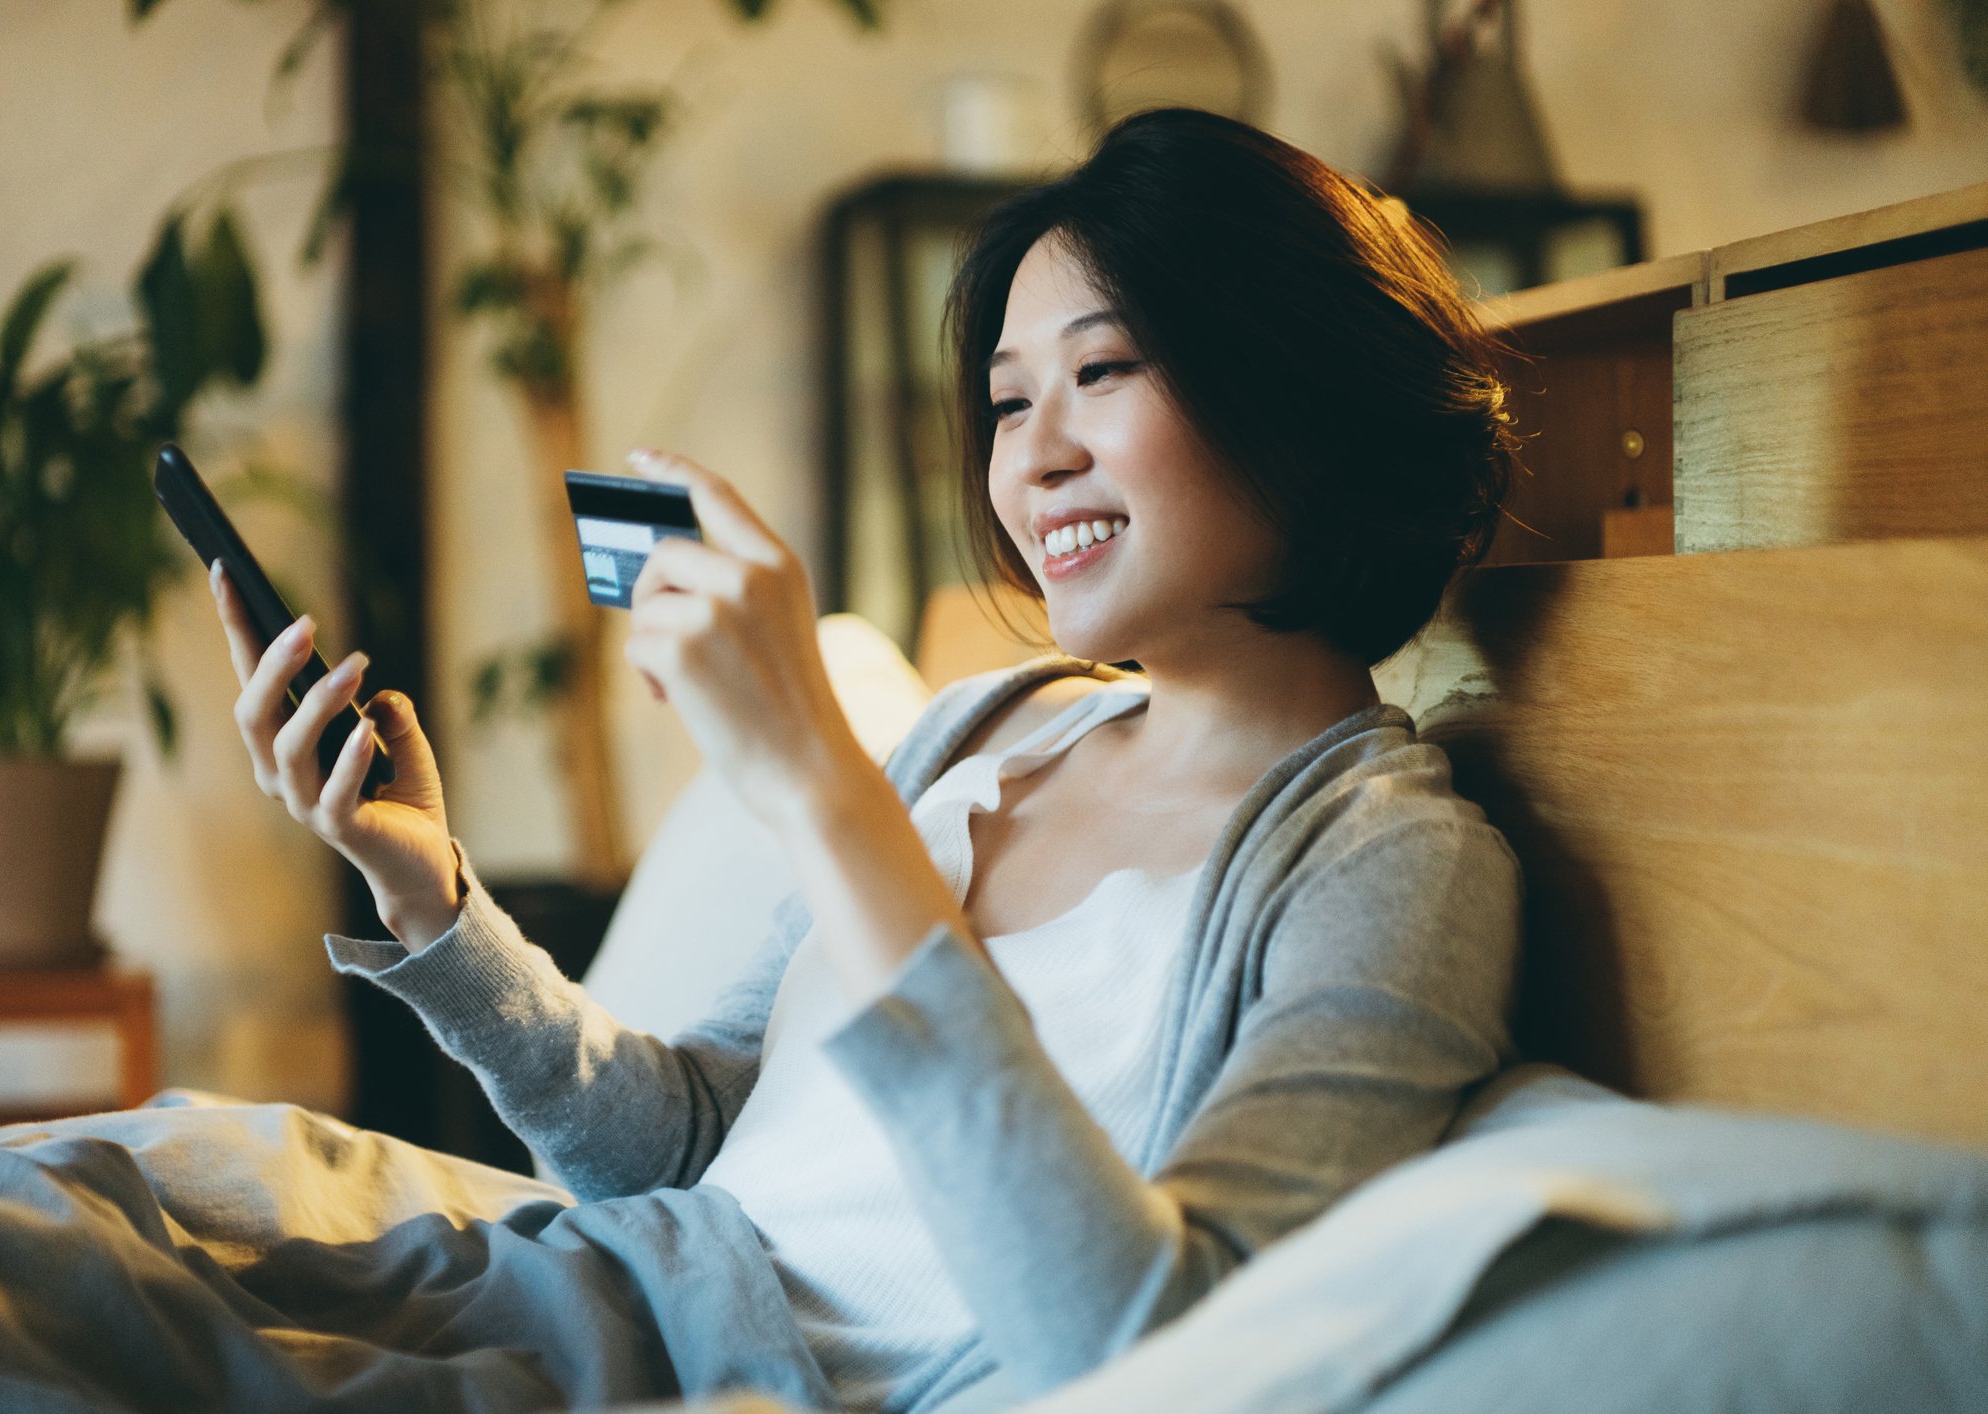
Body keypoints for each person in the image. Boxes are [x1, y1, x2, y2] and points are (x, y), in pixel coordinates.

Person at [212, 107, 1524, 1414]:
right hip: (596, 1287)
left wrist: (818, 783)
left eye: (1104, 371)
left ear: (1297, 389)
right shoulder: (981, 729)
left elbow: (1150, 1347)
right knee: (55, 1221)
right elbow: (680, 1140)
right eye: (1010, 400)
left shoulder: (1393, 861)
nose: (1036, 455)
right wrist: (434, 898)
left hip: (702, 1369)